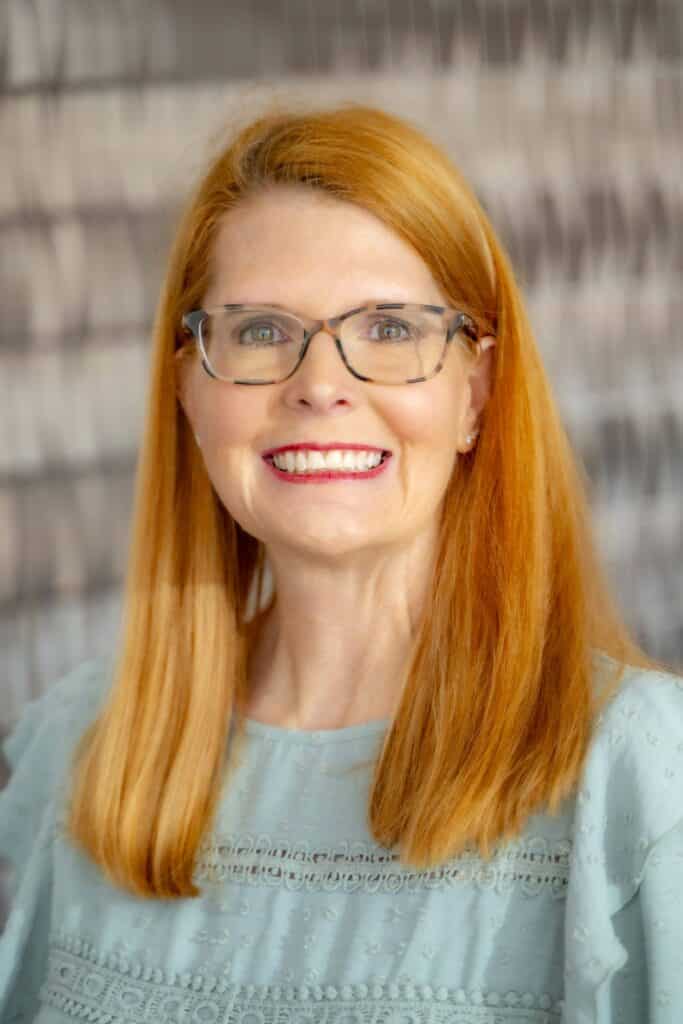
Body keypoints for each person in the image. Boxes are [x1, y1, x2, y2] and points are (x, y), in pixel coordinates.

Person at [1, 101, 682, 1024]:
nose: (320, 386)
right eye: (260, 332)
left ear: (475, 394)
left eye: (391, 330)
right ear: (188, 393)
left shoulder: (638, 770)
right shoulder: (73, 748)